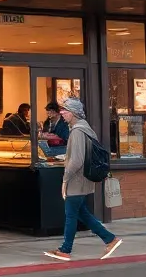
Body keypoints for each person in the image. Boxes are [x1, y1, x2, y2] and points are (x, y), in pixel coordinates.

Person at [43, 99, 122, 262]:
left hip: (77, 180)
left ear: (73, 112)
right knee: (81, 213)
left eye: (65, 110)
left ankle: (65, 250)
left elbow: (77, 161)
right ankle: (110, 239)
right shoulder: (84, 128)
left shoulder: (78, 131)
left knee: (71, 214)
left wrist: (65, 180)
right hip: (83, 179)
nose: (62, 113)